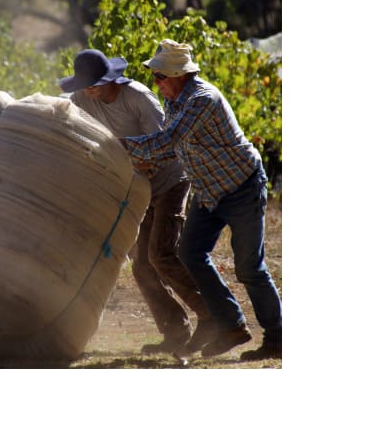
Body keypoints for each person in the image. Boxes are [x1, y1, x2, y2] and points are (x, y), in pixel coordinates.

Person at [120, 39, 282, 360]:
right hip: (209, 191)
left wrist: (119, 145)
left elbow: (167, 141)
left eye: (160, 77)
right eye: (155, 77)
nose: (157, 83)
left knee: (249, 267)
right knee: (189, 253)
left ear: (179, 75)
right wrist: (146, 159)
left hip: (242, 186)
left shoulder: (201, 100)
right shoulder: (175, 100)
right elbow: (174, 148)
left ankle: (278, 339)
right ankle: (231, 326)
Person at [59, 49, 213, 355]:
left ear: (111, 78)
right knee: (142, 266)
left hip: (169, 180)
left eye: (95, 83)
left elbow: (165, 146)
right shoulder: (82, 99)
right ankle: (176, 332)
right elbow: (64, 115)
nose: (90, 90)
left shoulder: (138, 98)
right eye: (85, 84)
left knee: (161, 254)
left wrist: (131, 161)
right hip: (135, 188)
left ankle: (214, 317)